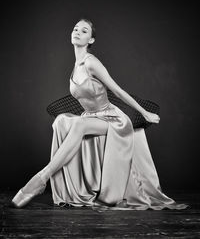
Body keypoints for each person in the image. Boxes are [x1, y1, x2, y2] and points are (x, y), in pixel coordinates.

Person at [12, 18, 187, 210]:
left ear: (91, 40)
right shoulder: (75, 65)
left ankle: (40, 179)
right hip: (90, 117)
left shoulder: (91, 62)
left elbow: (118, 91)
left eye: (84, 31)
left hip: (112, 119)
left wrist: (145, 113)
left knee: (78, 125)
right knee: (61, 121)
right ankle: (71, 188)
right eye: (75, 29)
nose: (77, 32)